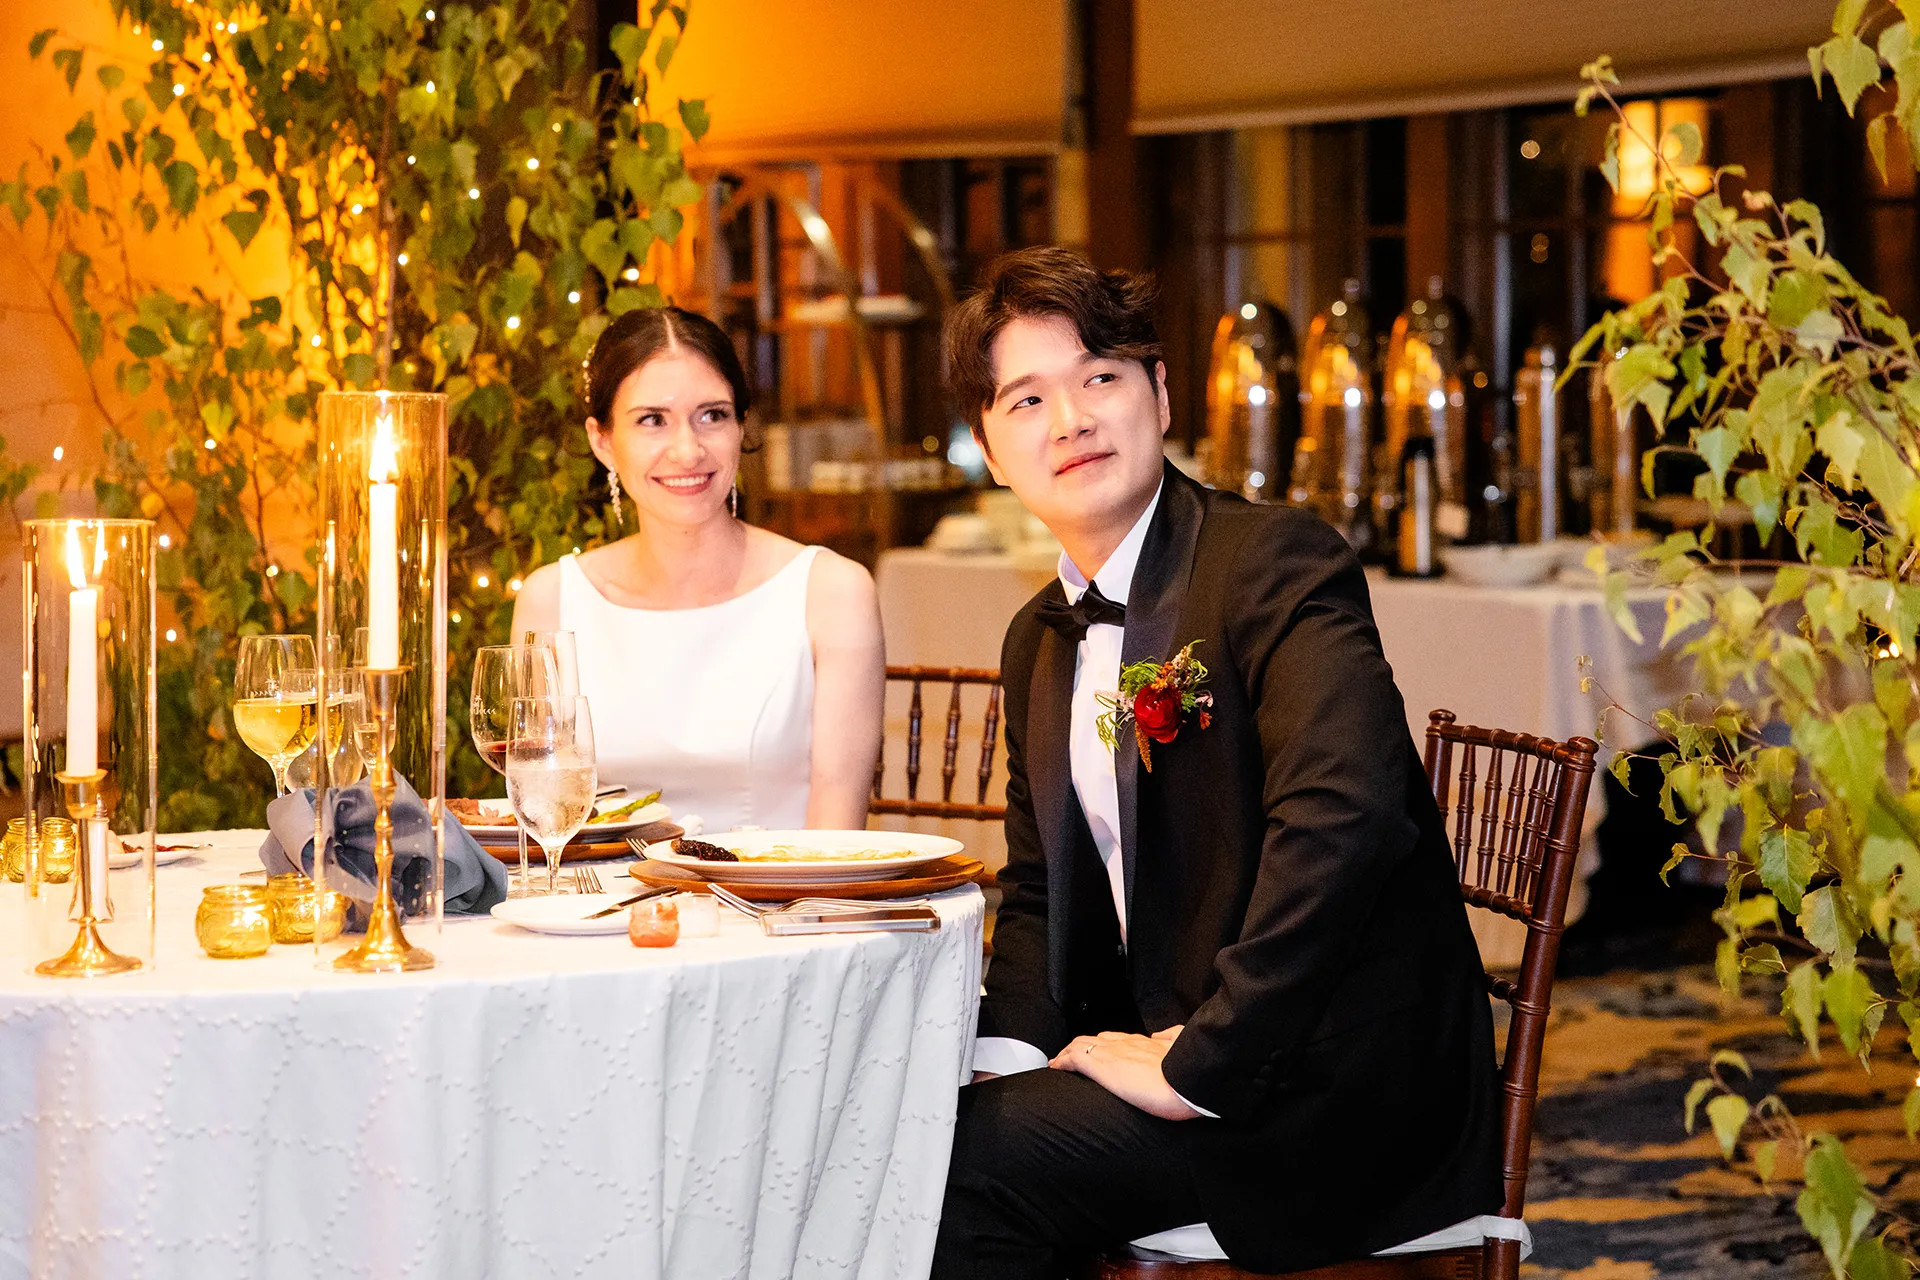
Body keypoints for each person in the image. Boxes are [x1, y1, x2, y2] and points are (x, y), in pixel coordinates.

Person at [933, 247, 1501, 1277]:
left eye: (1099, 376)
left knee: (951, 1170)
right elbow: (1035, 891)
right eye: (1027, 398)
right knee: (907, 1126)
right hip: (1178, 1057)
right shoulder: (1039, 637)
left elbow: (1347, 816)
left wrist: (1200, 1058)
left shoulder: (1274, 559)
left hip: (1326, 1091)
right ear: (988, 445)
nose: (1071, 418)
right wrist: (994, 1056)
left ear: (1157, 390)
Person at [513, 306, 884, 832]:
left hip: (783, 904)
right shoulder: (551, 600)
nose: (688, 450)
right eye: (652, 420)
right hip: (597, 908)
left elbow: (837, 830)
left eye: (712, 415)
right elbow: (543, 822)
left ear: (742, 428)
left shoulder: (831, 591)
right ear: (602, 442)